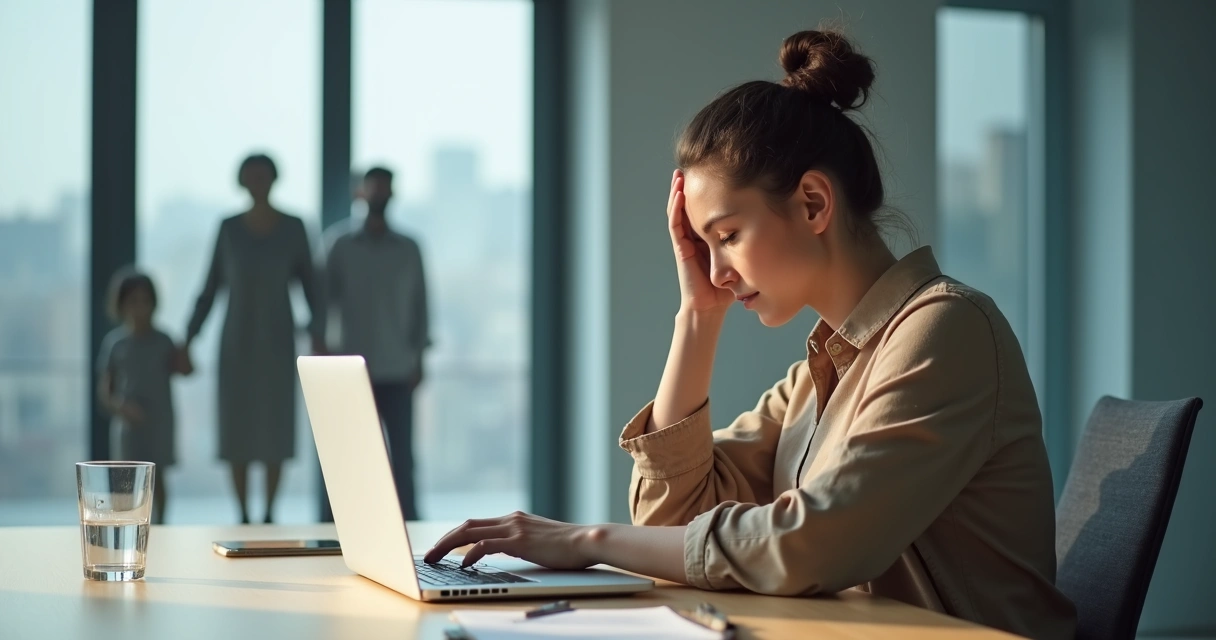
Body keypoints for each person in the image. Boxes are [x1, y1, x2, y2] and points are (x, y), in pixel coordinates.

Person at [423, 30, 1076, 639]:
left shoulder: (946, 330)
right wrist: (698, 317)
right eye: (702, 246)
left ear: (814, 204)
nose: (716, 271)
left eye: (728, 236)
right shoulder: (823, 368)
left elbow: (806, 545)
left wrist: (588, 541)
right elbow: (674, 522)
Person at [185, 153, 327, 525]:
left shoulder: (295, 227)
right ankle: (244, 514)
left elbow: (313, 289)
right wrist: (188, 337)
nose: (258, 181)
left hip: (279, 342)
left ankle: (268, 514)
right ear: (242, 181)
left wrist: (319, 335)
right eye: (252, 175)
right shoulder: (228, 229)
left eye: (264, 174)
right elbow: (210, 287)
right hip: (236, 342)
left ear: (274, 178)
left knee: (276, 429)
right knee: (238, 430)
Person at [322, 166, 430, 521]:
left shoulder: (410, 248)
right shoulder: (339, 245)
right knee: (349, 458)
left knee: (402, 459)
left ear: (392, 193)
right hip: (351, 370)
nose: (379, 194)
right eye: (373, 187)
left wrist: (419, 359)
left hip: (398, 367)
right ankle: (343, 528)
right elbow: (323, 305)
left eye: (385, 187)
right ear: (361, 193)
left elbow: (421, 306)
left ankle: (412, 532)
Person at [97, 268, 194, 524]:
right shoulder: (116, 344)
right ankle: (125, 526)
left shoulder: (164, 341)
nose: (139, 308)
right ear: (121, 306)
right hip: (129, 425)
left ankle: (161, 526)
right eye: (133, 302)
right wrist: (122, 408)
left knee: (157, 477)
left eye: (144, 301)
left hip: (159, 421)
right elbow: (105, 392)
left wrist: (186, 348)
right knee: (125, 480)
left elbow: (186, 370)